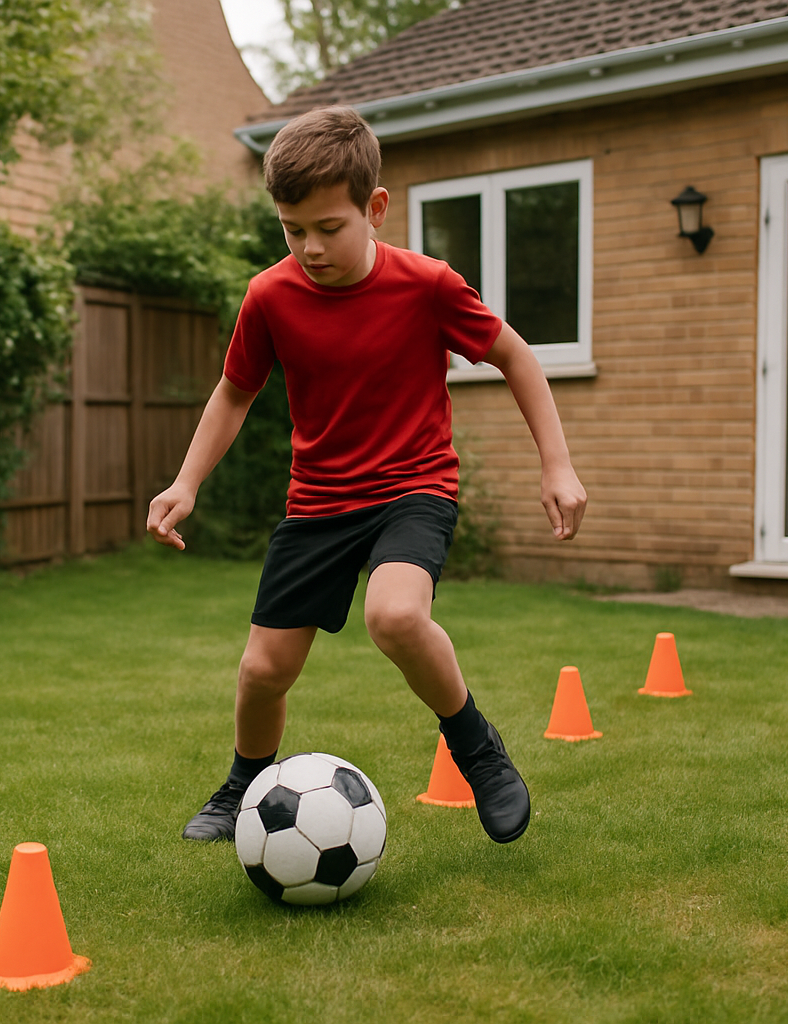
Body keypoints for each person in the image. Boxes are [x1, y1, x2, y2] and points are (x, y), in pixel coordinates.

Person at [146, 105, 586, 845]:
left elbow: (516, 356)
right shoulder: (270, 297)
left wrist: (558, 463)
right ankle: (242, 787)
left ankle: (479, 751)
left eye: (328, 228)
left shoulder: (428, 285)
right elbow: (235, 391)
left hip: (413, 488)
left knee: (396, 615)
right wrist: (186, 482)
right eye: (293, 230)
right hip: (318, 502)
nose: (309, 248)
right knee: (262, 671)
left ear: (374, 208)